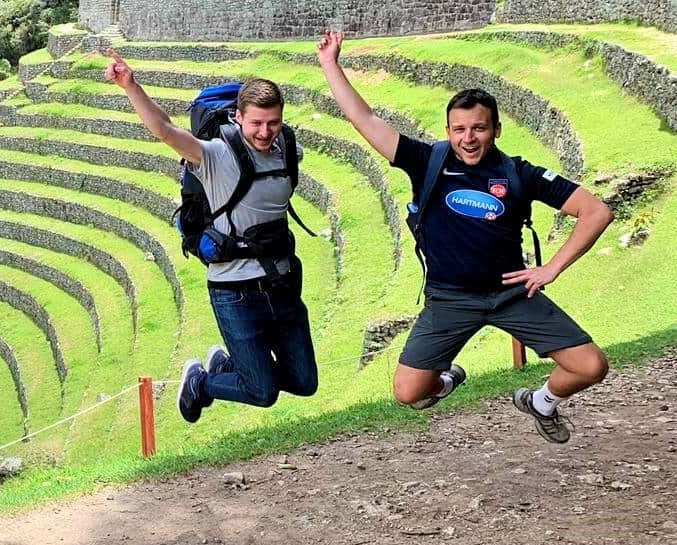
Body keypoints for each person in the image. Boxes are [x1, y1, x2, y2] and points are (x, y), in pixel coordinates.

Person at [316, 30, 613, 443]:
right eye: (459, 129)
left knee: (591, 366)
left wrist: (552, 269)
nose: (468, 138)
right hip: (450, 298)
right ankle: (450, 379)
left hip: (512, 294)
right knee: (409, 393)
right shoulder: (427, 162)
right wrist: (331, 64)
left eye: (479, 128)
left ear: (496, 129)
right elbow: (365, 119)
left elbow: (597, 210)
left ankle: (541, 402)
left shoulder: (519, 173)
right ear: (448, 130)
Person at [104, 50, 319, 424]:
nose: (265, 132)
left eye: (273, 123)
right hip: (234, 289)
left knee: (304, 382)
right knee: (262, 392)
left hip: (281, 282)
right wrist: (131, 86)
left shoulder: (287, 149)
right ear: (238, 118)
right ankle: (202, 383)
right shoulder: (216, 155)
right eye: (256, 123)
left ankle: (227, 361)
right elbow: (165, 131)